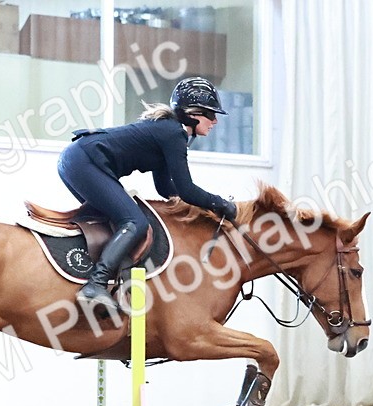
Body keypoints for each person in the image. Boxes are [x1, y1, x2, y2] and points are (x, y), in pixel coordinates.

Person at [58, 77, 238, 313]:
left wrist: (201, 204)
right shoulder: (174, 134)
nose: (214, 121)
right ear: (193, 114)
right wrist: (218, 203)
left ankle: (103, 282)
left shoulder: (167, 132)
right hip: (85, 161)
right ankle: (95, 284)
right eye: (210, 114)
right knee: (135, 222)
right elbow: (186, 189)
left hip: (77, 159)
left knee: (115, 222)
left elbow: (166, 188)